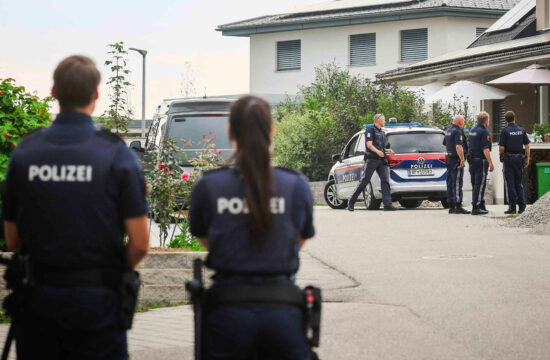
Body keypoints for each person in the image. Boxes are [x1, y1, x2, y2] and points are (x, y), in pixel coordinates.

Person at [1, 55, 150, 359]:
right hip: (98, 306)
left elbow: (13, 240)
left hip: (38, 302)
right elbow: (141, 243)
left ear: (54, 92)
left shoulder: (26, 153)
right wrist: (110, 272)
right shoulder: (117, 155)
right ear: (96, 94)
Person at [189, 96, 315, 360]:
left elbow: (203, 236)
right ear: (271, 130)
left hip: (226, 314)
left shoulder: (209, 185)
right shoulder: (295, 184)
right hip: (284, 313)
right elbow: (300, 237)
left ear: (231, 132)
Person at [346, 114, 395, 211]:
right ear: (378, 120)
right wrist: (377, 152)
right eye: (383, 120)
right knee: (364, 181)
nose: (385, 121)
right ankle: (351, 202)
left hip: (382, 160)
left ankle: (388, 205)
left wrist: (387, 150)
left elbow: (381, 147)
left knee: (385, 181)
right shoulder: (370, 130)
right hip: (372, 160)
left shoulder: (382, 132)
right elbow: (369, 145)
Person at [499, 110, 530, 214]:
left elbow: (502, 147)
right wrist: (527, 158)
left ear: (506, 120)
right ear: (514, 118)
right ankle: (522, 207)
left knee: (510, 184)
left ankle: (512, 208)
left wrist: (501, 157)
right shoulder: (521, 130)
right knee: (519, 183)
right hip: (519, 159)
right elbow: (527, 146)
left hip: (509, 159)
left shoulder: (505, 131)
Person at [468, 112, 495, 215]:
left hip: (472, 161)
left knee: (475, 183)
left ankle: (481, 204)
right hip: (480, 161)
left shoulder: (472, 130)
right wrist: (490, 162)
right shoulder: (484, 132)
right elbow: (485, 149)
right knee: (480, 184)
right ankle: (476, 206)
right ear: (486, 121)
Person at [443, 115, 471, 214]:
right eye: (463, 122)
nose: (463, 124)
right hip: (456, 159)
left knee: (450, 182)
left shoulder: (448, 130)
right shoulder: (458, 131)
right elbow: (459, 146)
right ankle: (458, 206)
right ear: (459, 122)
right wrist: (462, 159)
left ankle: (451, 206)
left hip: (449, 158)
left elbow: (445, 144)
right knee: (457, 183)